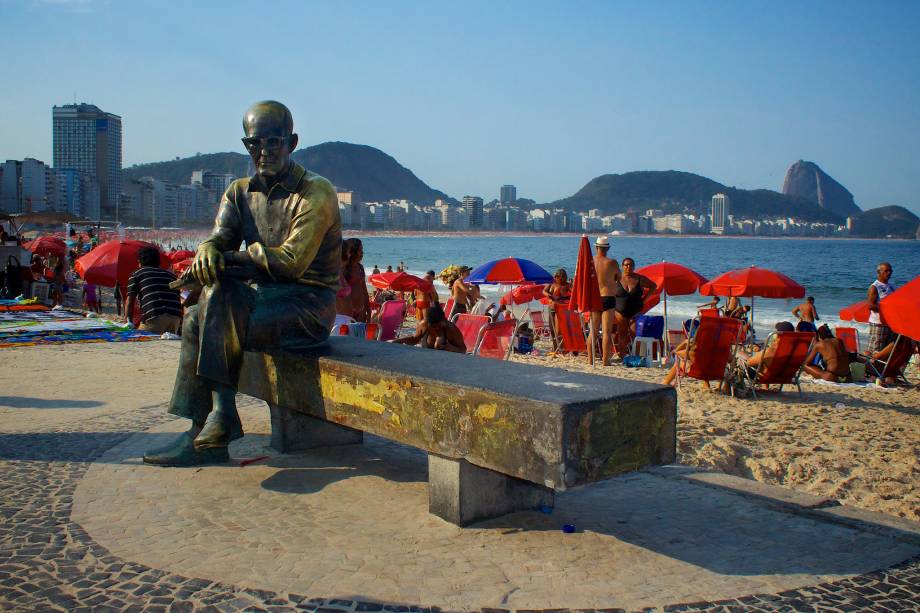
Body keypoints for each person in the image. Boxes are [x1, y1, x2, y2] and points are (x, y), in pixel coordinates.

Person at [143, 100, 341, 467]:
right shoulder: (238, 191)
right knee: (194, 318)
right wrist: (207, 250)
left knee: (208, 309)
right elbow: (220, 238)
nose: (262, 151)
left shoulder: (316, 192)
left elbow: (291, 263)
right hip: (256, 301)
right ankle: (208, 426)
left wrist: (229, 259)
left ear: (292, 142)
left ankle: (217, 421)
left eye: (272, 142)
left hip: (307, 305)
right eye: (254, 144)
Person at [125, 246, 182, 334]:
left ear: (139, 261)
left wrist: (128, 321)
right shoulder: (171, 276)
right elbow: (177, 297)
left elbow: (130, 301)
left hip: (155, 315)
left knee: (142, 344)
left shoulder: (138, 273)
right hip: (175, 317)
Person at [612, 257, 657, 358]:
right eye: (626, 265)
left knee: (635, 335)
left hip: (635, 312)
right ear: (622, 266)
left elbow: (653, 286)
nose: (629, 267)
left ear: (634, 266)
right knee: (622, 334)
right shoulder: (617, 279)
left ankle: (636, 356)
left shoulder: (639, 279)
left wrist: (645, 299)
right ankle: (622, 356)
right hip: (619, 312)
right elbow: (607, 289)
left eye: (631, 265)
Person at [593, 236, 621, 365]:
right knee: (606, 332)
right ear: (608, 248)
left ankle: (590, 358)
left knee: (592, 331)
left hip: (595, 297)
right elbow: (619, 277)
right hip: (608, 297)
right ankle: (605, 360)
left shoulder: (590, 261)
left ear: (596, 247)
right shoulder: (612, 262)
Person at [392, 304, 466, 352]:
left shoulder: (451, 329)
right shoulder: (424, 324)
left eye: (439, 326)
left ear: (444, 320)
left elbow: (463, 349)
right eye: (433, 326)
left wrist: (451, 348)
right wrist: (398, 341)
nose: (436, 328)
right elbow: (414, 339)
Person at [866, 262, 896, 355]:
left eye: (890, 271)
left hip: (890, 323)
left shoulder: (891, 287)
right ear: (879, 272)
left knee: (886, 351)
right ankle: (870, 368)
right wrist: (886, 308)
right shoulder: (875, 287)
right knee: (875, 351)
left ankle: (882, 369)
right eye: (886, 271)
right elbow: (870, 305)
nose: (889, 273)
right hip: (878, 323)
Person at [543, 268, 572, 350]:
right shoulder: (552, 284)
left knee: (558, 329)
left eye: (563, 277)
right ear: (556, 277)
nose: (561, 279)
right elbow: (544, 291)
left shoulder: (567, 285)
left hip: (560, 309)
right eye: (559, 277)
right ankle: (555, 345)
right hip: (552, 308)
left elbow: (574, 293)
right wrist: (548, 295)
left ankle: (560, 347)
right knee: (551, 329)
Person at [346, 238, 370, 322]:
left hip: (361, 309)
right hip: (347, 311)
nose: (362, 252)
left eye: (362, 249)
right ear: (353, 251)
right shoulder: (344, 269)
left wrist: (369, 310)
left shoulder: (360, 268)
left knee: (360, 335)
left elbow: (364, 290)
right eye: (360, 250)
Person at [335, 239, 354, 317]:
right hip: (337, 321)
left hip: (345, 320)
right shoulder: (331, 272)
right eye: (348, 251)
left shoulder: (339, 270)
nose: (350, 254)